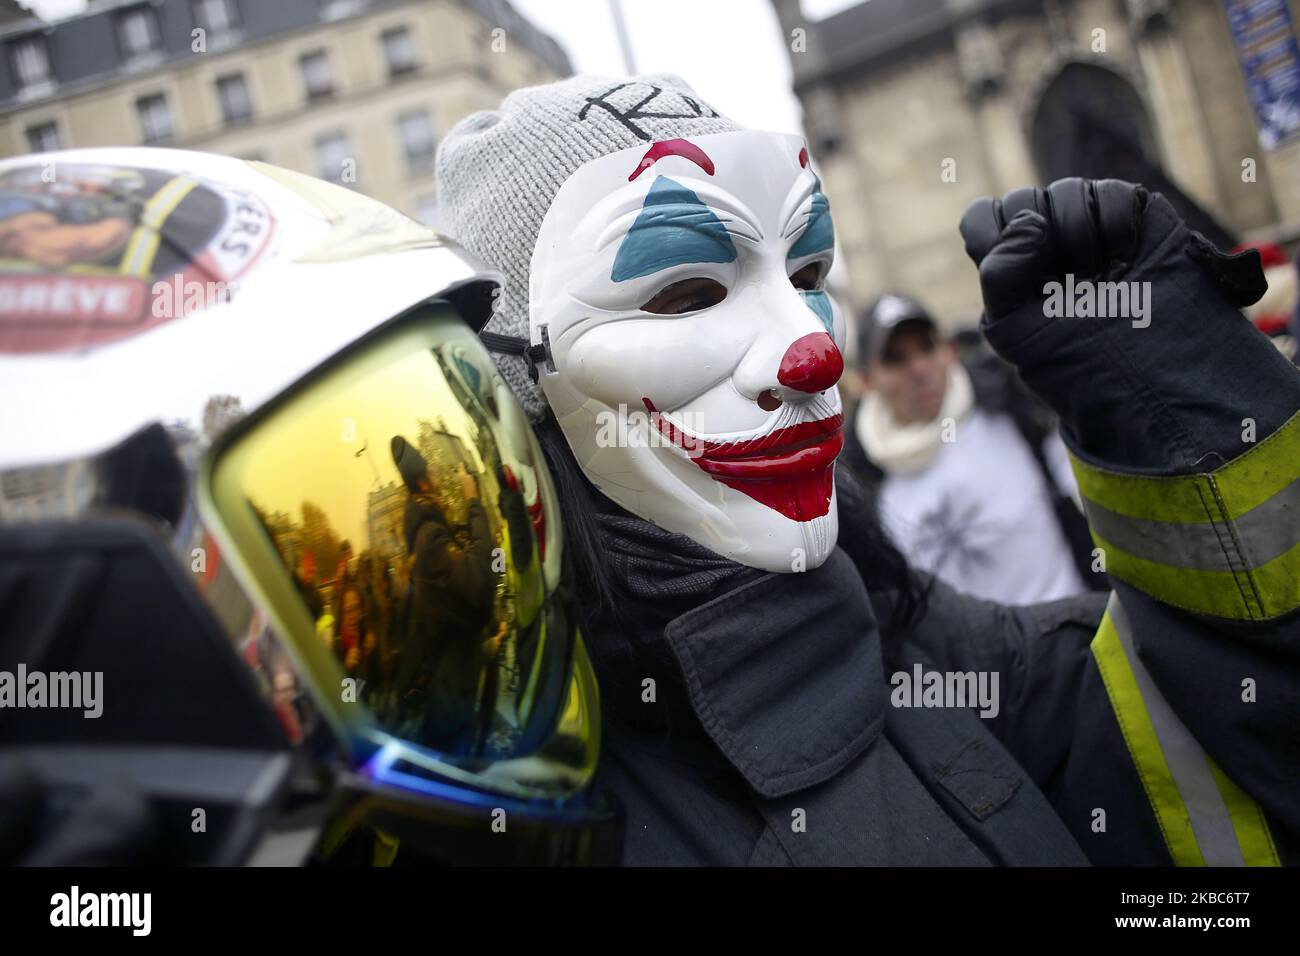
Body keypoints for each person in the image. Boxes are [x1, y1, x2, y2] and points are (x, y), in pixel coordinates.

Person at [437, 73, 1300, 864]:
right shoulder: (519, 826)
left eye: (808, 269)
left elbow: (1229, 734)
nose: (812, 351)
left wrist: (1175, 398)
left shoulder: (914, 642)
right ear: (521, 377)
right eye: (687, 292)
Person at [841, 292, 1102, 603]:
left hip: (1082, 624)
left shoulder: (1011, 407)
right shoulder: (860, 481)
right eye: (895, 359)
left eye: (927, 347)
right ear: (867, 381)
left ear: (949, 351)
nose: (919, 369)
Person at [390, 435, 498, 754]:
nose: (438, 479)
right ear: (423, 483)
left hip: (456, 693)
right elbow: (480, 585)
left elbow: (456, 606)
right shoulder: (430, 539)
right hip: (452, 706)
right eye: (433, 474)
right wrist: (474, 502)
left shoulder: (428, 533)